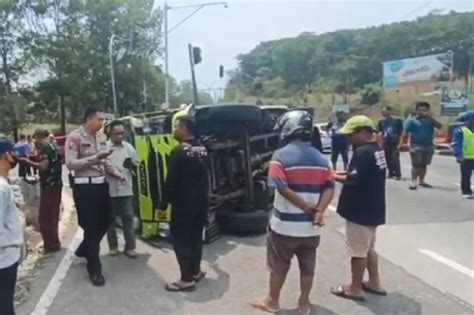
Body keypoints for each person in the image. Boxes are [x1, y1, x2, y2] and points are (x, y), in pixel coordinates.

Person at [251, 111, 335, 315]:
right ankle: (304, 303)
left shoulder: (279, 156)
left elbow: (280, 187)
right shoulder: (323, 159)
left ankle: (272, 301)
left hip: (285, 227)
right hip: (311, 228)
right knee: (308, 267)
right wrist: (319, 211)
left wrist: (305, 206)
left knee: (278, 265)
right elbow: (330, 187)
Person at [330, 115, 387, 302]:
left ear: (363, 132)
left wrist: (331, 177)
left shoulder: (362, 152)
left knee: (358, 251)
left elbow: (354, 179)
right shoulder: (376, 149)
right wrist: (338, 172)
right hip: (373, 208)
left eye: (350, 134)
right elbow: (360, 174)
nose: (347, 138)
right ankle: (374, 282)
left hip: (360, 211)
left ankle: (354, 288)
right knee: (369, 248)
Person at [66, 106, 123, 286]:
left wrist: (116, 173)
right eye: (99, 119)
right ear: (89, 118)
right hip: (85, 189)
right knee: (90, 228)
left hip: (101, 186)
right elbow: (71, 164)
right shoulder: (75, 137)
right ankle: (94, 268)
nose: (102, 123)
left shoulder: (100, 138)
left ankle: (85, 248)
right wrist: (94, 159)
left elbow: (105, 161)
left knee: (106, 221)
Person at [160, 116, 209, 292]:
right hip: (201, 203)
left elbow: (170, 181)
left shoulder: (178, 151)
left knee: (181, 240)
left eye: (176, 127)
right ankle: (195, 272)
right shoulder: (202, 149)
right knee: (196, 238)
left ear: (184, 128)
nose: (174, 131)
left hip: (183, 204)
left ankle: (186, 280)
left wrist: (162, 204)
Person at [17, 128, 63, 253]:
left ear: (40, 137)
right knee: (51, 216)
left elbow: (43, 166)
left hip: (51, 186)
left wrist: (26, 162)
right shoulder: (48, 148)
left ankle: (51, 245)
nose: (35, 141)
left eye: (36, 138)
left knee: (45, 217)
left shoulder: (48, 148)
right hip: (51, 185)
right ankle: (52, 243)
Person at [106, 120, 138, 258]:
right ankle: (113, 246)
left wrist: (132, 166)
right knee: (109, 220)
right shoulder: (104, 148)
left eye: (122, 134)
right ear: (110, 133)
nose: (120, 136)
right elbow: (102, 166)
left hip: (126, 190)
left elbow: (136, 167)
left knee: (128, 218)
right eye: (117, 134)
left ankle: (130, 247)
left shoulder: (129, 148)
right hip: (109, 189)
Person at [0, 137, 23, 315]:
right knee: (5, 306)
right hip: (3, 258)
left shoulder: (4, 183)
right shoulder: (1, 187)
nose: (16, 155)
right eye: (13, 151)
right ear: (6, 155)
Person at [400, 101, 442, 190]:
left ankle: (422, 181)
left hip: (428, 145)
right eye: (420, 110)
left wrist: (431, 117)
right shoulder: (412, 120)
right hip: (416, 145)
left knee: (424, 164)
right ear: (416, 111)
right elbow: (405, 132)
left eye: (424, 110)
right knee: (416, 164)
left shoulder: (430, 120)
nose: (422, 112)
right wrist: (403, 143)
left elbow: (439, 126)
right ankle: (413, 181)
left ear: (428, 110)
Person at [452, 111, 474, 198]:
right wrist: (459, 156)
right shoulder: (460, 131)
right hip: (466, 158)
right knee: (466, 176)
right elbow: (457, 144)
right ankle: (466, 191)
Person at [378, 106, 403, 179]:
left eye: (384, 111)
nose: (383, 113)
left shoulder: (397, 120)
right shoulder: (381, 121)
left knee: (395, 158)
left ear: (390, 111)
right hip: (385, 142)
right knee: (387, 158)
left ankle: (398, 174)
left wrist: (400, 143)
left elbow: (401, 132)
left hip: (394, 142)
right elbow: (380, 132)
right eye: (382, 112)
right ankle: (390, 173)